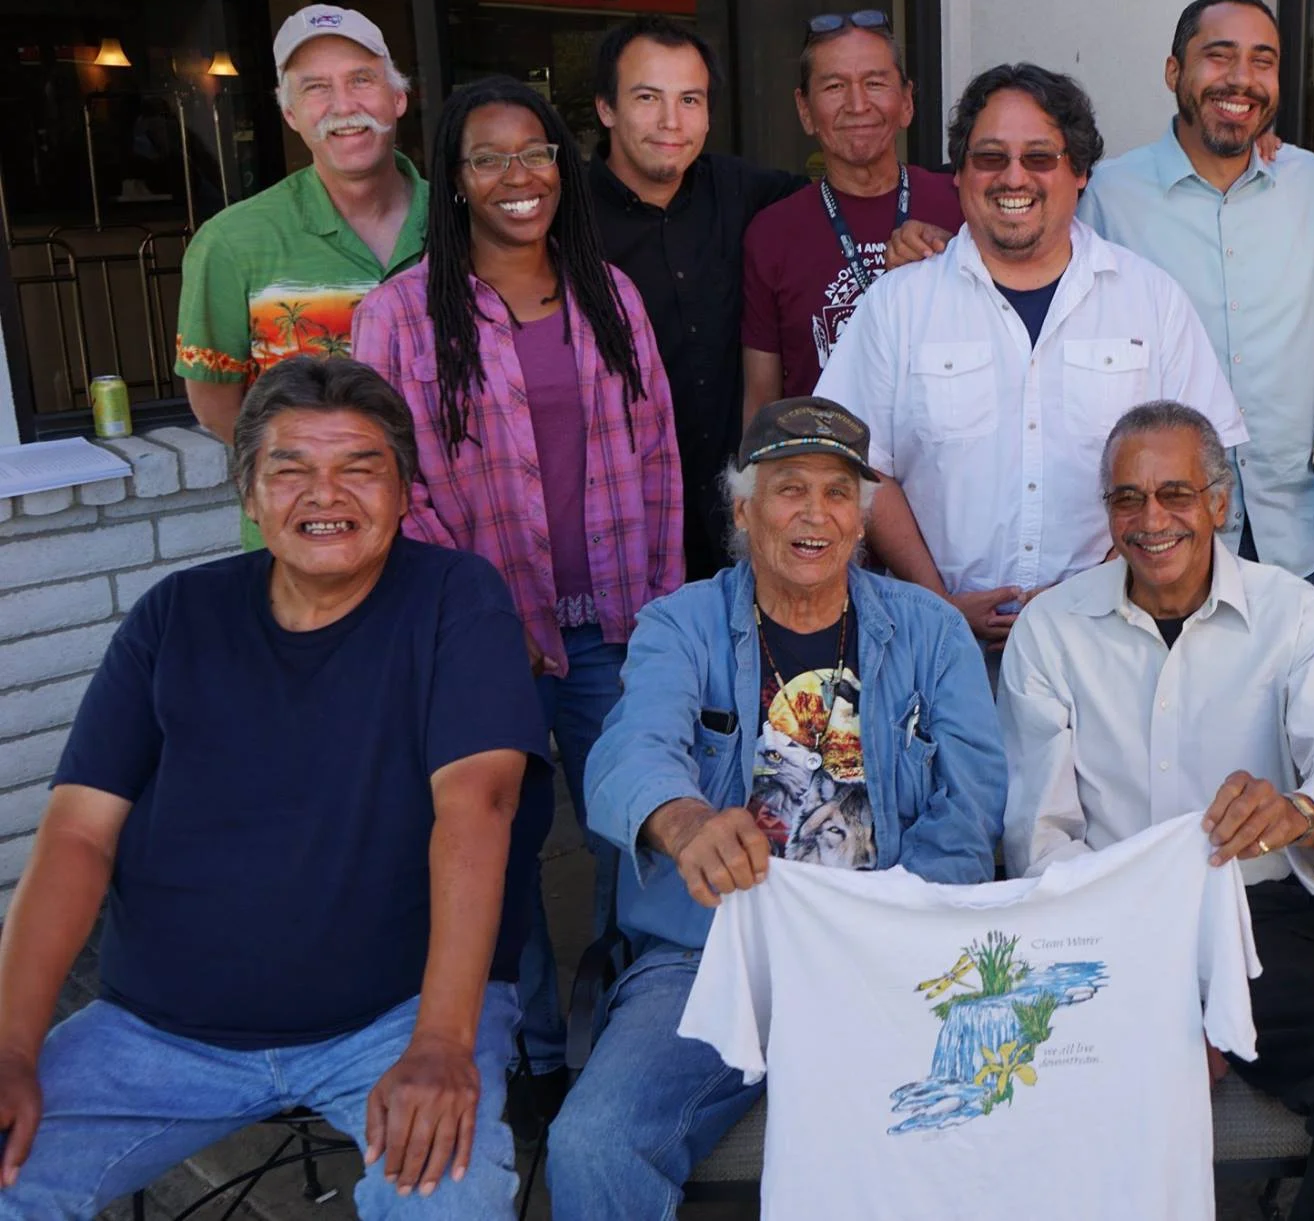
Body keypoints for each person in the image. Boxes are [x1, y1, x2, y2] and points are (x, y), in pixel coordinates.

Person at [0, 357, 547, 1219]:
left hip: (396, 1018)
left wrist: (443, 1038)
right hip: (156, 1028)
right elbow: (77, 835)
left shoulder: (456, 602)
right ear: (249, 496)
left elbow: (480, 806)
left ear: (406, 492)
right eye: (290, 468)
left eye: (359, 468)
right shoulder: (173, 616)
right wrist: (11, 1042)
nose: (324, 495)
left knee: (453, 1202)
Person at [546, 397, 1007, 1215]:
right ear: (743, 508)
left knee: (950, 1136)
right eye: (790, 488)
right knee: (593, 1142)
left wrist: (884, 923)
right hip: (708, 952)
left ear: (861, 520)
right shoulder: (679, 625)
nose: (815, 514)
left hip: (885, 954)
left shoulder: (931, 632)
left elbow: (970, 812)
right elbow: (625, 754)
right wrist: (684, 820)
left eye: (838, 493)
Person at [999, 399, 1314, 1221]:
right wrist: (1157, 987)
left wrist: (1301, 811)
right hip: (1104, 927)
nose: (1151, 518)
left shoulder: (1295, 617)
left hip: (1261, 919)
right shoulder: (1052, 630)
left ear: (1219, 502)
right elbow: (1040, 840)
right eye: (1127, 499)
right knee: (1037, 1107)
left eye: (1175, 492)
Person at [351, 76, 684, 1124]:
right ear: (451, 182)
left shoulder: (608, 295)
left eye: (534, 152)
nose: (516, 177)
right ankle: (531, 1047)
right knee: (492, 846)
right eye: (486, 158)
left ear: (562, 163)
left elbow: (661, 456)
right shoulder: (399, 313)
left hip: (615, 627)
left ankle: (633, 1027)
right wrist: (492, 618)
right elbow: (385, 483)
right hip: (482, 641)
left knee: (631, 835)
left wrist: (663, 619)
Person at [815, 63, 1247, 655]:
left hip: (1115, 645)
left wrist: (1091, 592)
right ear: (961, 174)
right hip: (938, 652)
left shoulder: (1151, 300)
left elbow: (1202, 466)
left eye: (1040, 157)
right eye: (990, 157)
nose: (1013, 176)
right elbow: (857, 463)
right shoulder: (898, 304)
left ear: (1080, 173)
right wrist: (936, 603)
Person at [1065, 0, 1314, 599]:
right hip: (1160, 540)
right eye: (1219, 56)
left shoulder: (1309, 181)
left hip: (1291, 537)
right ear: (1174, 72)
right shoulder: (1108, 194)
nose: (1241, 79)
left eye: (1262, 60)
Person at [174, 4, 428, 545]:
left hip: (458, 532)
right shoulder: (230, 242)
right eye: (315, 88)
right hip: (310, 540)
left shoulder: (464, 221)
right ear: (290, 114)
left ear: (398, 97)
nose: (343, 105)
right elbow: (216, 401)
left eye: (362, 80)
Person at [587, 15, 808, 578]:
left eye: (690, 99)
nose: (670, 121)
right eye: (646, 97)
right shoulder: (563, 219)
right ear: (605, 108)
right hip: (620, 515)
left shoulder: (744, 191)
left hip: (734, 506)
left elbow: (848, 203)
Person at [740, 12, 961, 421]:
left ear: (908, 101)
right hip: (827, 475)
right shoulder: (772, 234)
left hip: (947, 473)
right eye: (835, 86)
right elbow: (762, 403)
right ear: (804, 110)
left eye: (875, 83)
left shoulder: (964, 206)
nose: (858, 105)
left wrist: (960, 254)